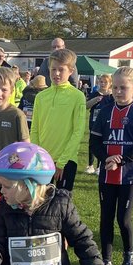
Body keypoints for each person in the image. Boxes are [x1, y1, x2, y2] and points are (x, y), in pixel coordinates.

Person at [89, 67, 133, 265]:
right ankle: (106, 259)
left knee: (123, 218)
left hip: (130, 175)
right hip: (107, 173)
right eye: (115, 87)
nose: (117, 91)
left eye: (123, 88)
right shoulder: (105, 110)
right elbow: (95, 141)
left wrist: (122, 160)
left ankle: (128, 253)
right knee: (105, 217)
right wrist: (106, 158)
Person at [30, 48, 87, 191]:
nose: (56, 73)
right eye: (53, 69)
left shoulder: (77, 96)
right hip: (43, 161)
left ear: (71, 71)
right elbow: (35, 129)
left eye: (61, 70)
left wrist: (62, 162)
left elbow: (78, 132)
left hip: (66, 161)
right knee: (39, 203)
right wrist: (38, 157)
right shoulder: (41, 97)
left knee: (62, 204)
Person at [85, 73, 113, 174]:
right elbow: (86, 106)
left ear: (110, 83)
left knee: (103, 144)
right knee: (92, 143)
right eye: (101, 81)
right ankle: (90, 165)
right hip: (94, 122)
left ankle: (99, 166)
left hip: (106, 123)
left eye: (105, 82)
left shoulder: (111, 96)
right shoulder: (95, 93)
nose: (103, 84)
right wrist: (94, 100)